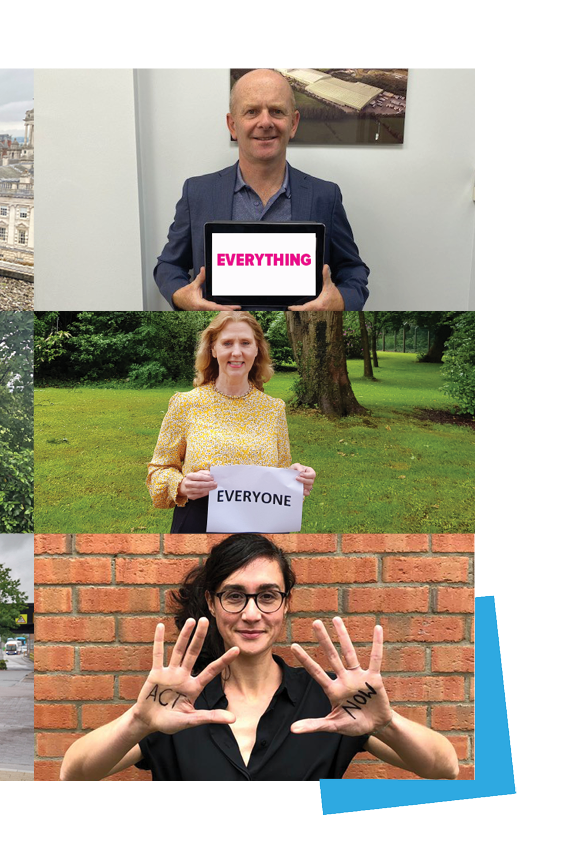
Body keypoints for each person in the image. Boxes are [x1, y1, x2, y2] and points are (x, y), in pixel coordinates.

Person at [59, 534, 459, 781]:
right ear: (212, 605)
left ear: (286, 605)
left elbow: (443, 766)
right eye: (235, 596)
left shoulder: (330, 702)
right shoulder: (174, 706)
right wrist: (136, 722)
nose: (252, 614)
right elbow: (73, 773)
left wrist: (387, 725)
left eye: (267, 596)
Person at [153, 69, 368, 312]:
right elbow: (168, 266)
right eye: (251, 111)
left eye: (276, 111)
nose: (265, 122)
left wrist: (340, 301)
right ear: (232, 125)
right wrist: (183, 298)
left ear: (293, 123)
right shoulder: (198, 192)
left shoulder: (325, 196)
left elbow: (353, 270)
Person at [146, 312, 315, 533]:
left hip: (260, 526)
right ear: (213, 350)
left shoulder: (273, 409)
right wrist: (182, 485)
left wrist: (296, 478)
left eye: (245, 343)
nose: (237, 352)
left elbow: (279, 473)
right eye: (227, 343)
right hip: (199, 523)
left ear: (257, 349)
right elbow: (157, 472)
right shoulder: (186, 404)